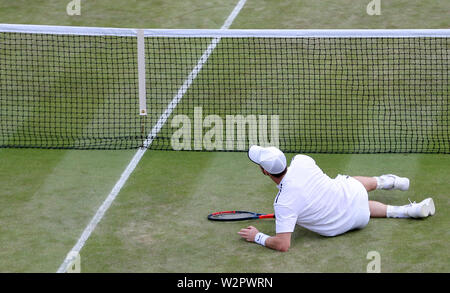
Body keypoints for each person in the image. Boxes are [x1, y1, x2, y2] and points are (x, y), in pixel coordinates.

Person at [238, 145, 436, 252]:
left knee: (354, 201)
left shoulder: (283, 204)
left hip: (352, 223)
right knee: (347, 183)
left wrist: (257, 236)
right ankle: (392, 181)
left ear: (265, 171)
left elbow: (283, 245)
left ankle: (406, 211)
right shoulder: (302, 160)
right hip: (353, 197)